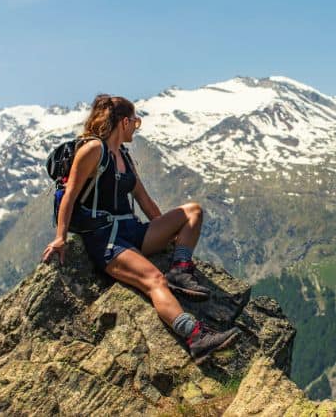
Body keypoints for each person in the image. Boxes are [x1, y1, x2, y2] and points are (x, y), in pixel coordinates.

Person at [41, 94, 239, 363]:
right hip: (107, 241)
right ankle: (195, 337)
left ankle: (180, 271)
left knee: (193, 211)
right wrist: (60, 238)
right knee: (154, 280)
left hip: (132, 230)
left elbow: (144, 200)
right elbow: (70, 195)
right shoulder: (92, 151)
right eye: (135, 121)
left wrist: (168, 233)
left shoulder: (123, 155)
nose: (136, 126)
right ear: (124, 122)